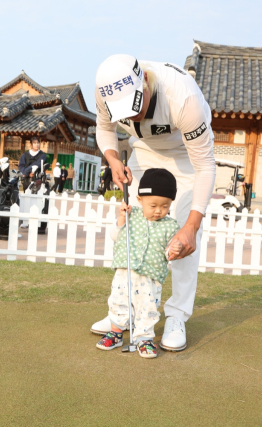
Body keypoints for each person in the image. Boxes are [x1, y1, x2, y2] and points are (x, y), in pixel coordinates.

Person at [91, 54, 216, 352]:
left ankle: (176, 316)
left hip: (187, 161)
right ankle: (123, 315)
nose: (131, 117)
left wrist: (191, 225)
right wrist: (112, 158)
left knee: (182, 239)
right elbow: (105, 129)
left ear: (144, 82)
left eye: (135, 106)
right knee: (131, 227)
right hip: (144, 154)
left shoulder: (183, 99)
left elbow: (206, 166)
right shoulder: (104, 90)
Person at [96, 169, 180, 358]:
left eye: (165, 206)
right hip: (125, 271)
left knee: (148, 306)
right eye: (153, 205)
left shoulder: (170, 225)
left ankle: (144, 338)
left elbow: (169, 251)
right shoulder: (130, 216)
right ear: (139, 199)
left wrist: (174, 251)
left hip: (150, 275)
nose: (159, 210)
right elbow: (115, 236)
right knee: (119, 301)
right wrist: (121, 218)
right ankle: (116, 333)